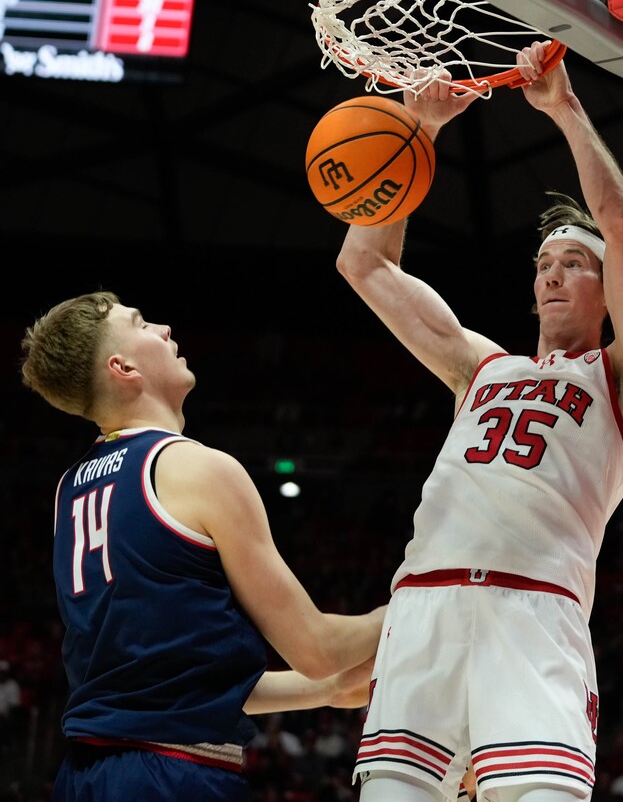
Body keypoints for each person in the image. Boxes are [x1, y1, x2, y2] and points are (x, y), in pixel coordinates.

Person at [335, 40, 623, 802]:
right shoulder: (480, 366)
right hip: (422, 606)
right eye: (544, 262)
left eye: (574, 264)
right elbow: (366, 266)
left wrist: (564, 108)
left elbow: (619, 222)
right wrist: (416, 132)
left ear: (610, 290)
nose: (553, 270)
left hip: (535, 613)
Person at [19, 292, 385, 801]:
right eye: (141, 322)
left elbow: (170, 685)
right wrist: (420, 596)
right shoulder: (197, 468)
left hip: (85, 777)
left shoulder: (70, 487)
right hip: (172, 777)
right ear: (123, 366)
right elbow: (317, 648)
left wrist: (322, 692)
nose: (165, 328)